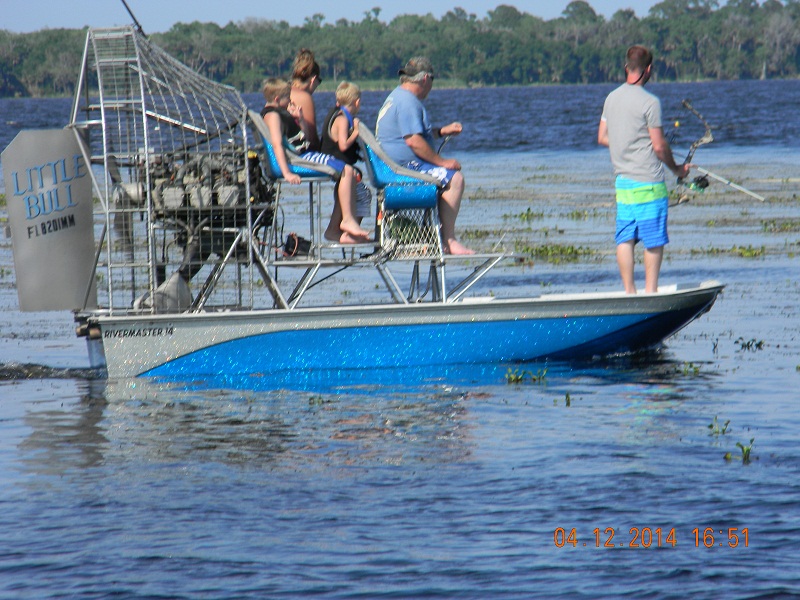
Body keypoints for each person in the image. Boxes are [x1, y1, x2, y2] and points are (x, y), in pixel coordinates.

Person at [597, 45, 690, 294]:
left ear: (627, 67)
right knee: (654, 240)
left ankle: (630, 292)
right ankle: (651, 292)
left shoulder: (611, 98)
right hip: (649, 183)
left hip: (623, 183)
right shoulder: (650, 102)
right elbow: (660, 147)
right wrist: (678, 170)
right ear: (649, 70)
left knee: (625, 239)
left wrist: (629, 142)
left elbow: (602, 137)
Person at [375, 56, 473, 255]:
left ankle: (437, 234)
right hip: (403, 169)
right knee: (455, 179)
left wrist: (442, 131)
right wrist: (443, 162)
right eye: (432, 80)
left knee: (447, 175)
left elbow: (415, 134)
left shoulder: (397, 96)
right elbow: (413, 141)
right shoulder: (408, 102)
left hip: (392, 165)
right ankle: (449, 240)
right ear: (425, 78)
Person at [260, 77, 369, 242]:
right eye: (287, 97)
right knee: (347, 170)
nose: (290, 100)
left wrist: (300, 119)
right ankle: (347, 220)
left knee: (349, 171)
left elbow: (298, 138)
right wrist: (287, 173)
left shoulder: (278, 114)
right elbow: (276, 144)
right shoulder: (273, 116)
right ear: (277, 99)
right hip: (300, 158)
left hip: (303, 154)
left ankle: (337, 229)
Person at [320, 81, 373, 243]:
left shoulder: (338, 114)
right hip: (332, 161)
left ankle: (342, 231)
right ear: (357, 102)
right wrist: (356, 131)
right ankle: (348, 223)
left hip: (340, 163)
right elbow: (343, 144)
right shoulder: (342, 119)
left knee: (362, 192)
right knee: (351, 176)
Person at [290, 49, 322, 152]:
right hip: (298, 154)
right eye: (319, 81)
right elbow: (312, 139)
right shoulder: (304, 97)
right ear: (313, 79)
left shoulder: (283, 91)